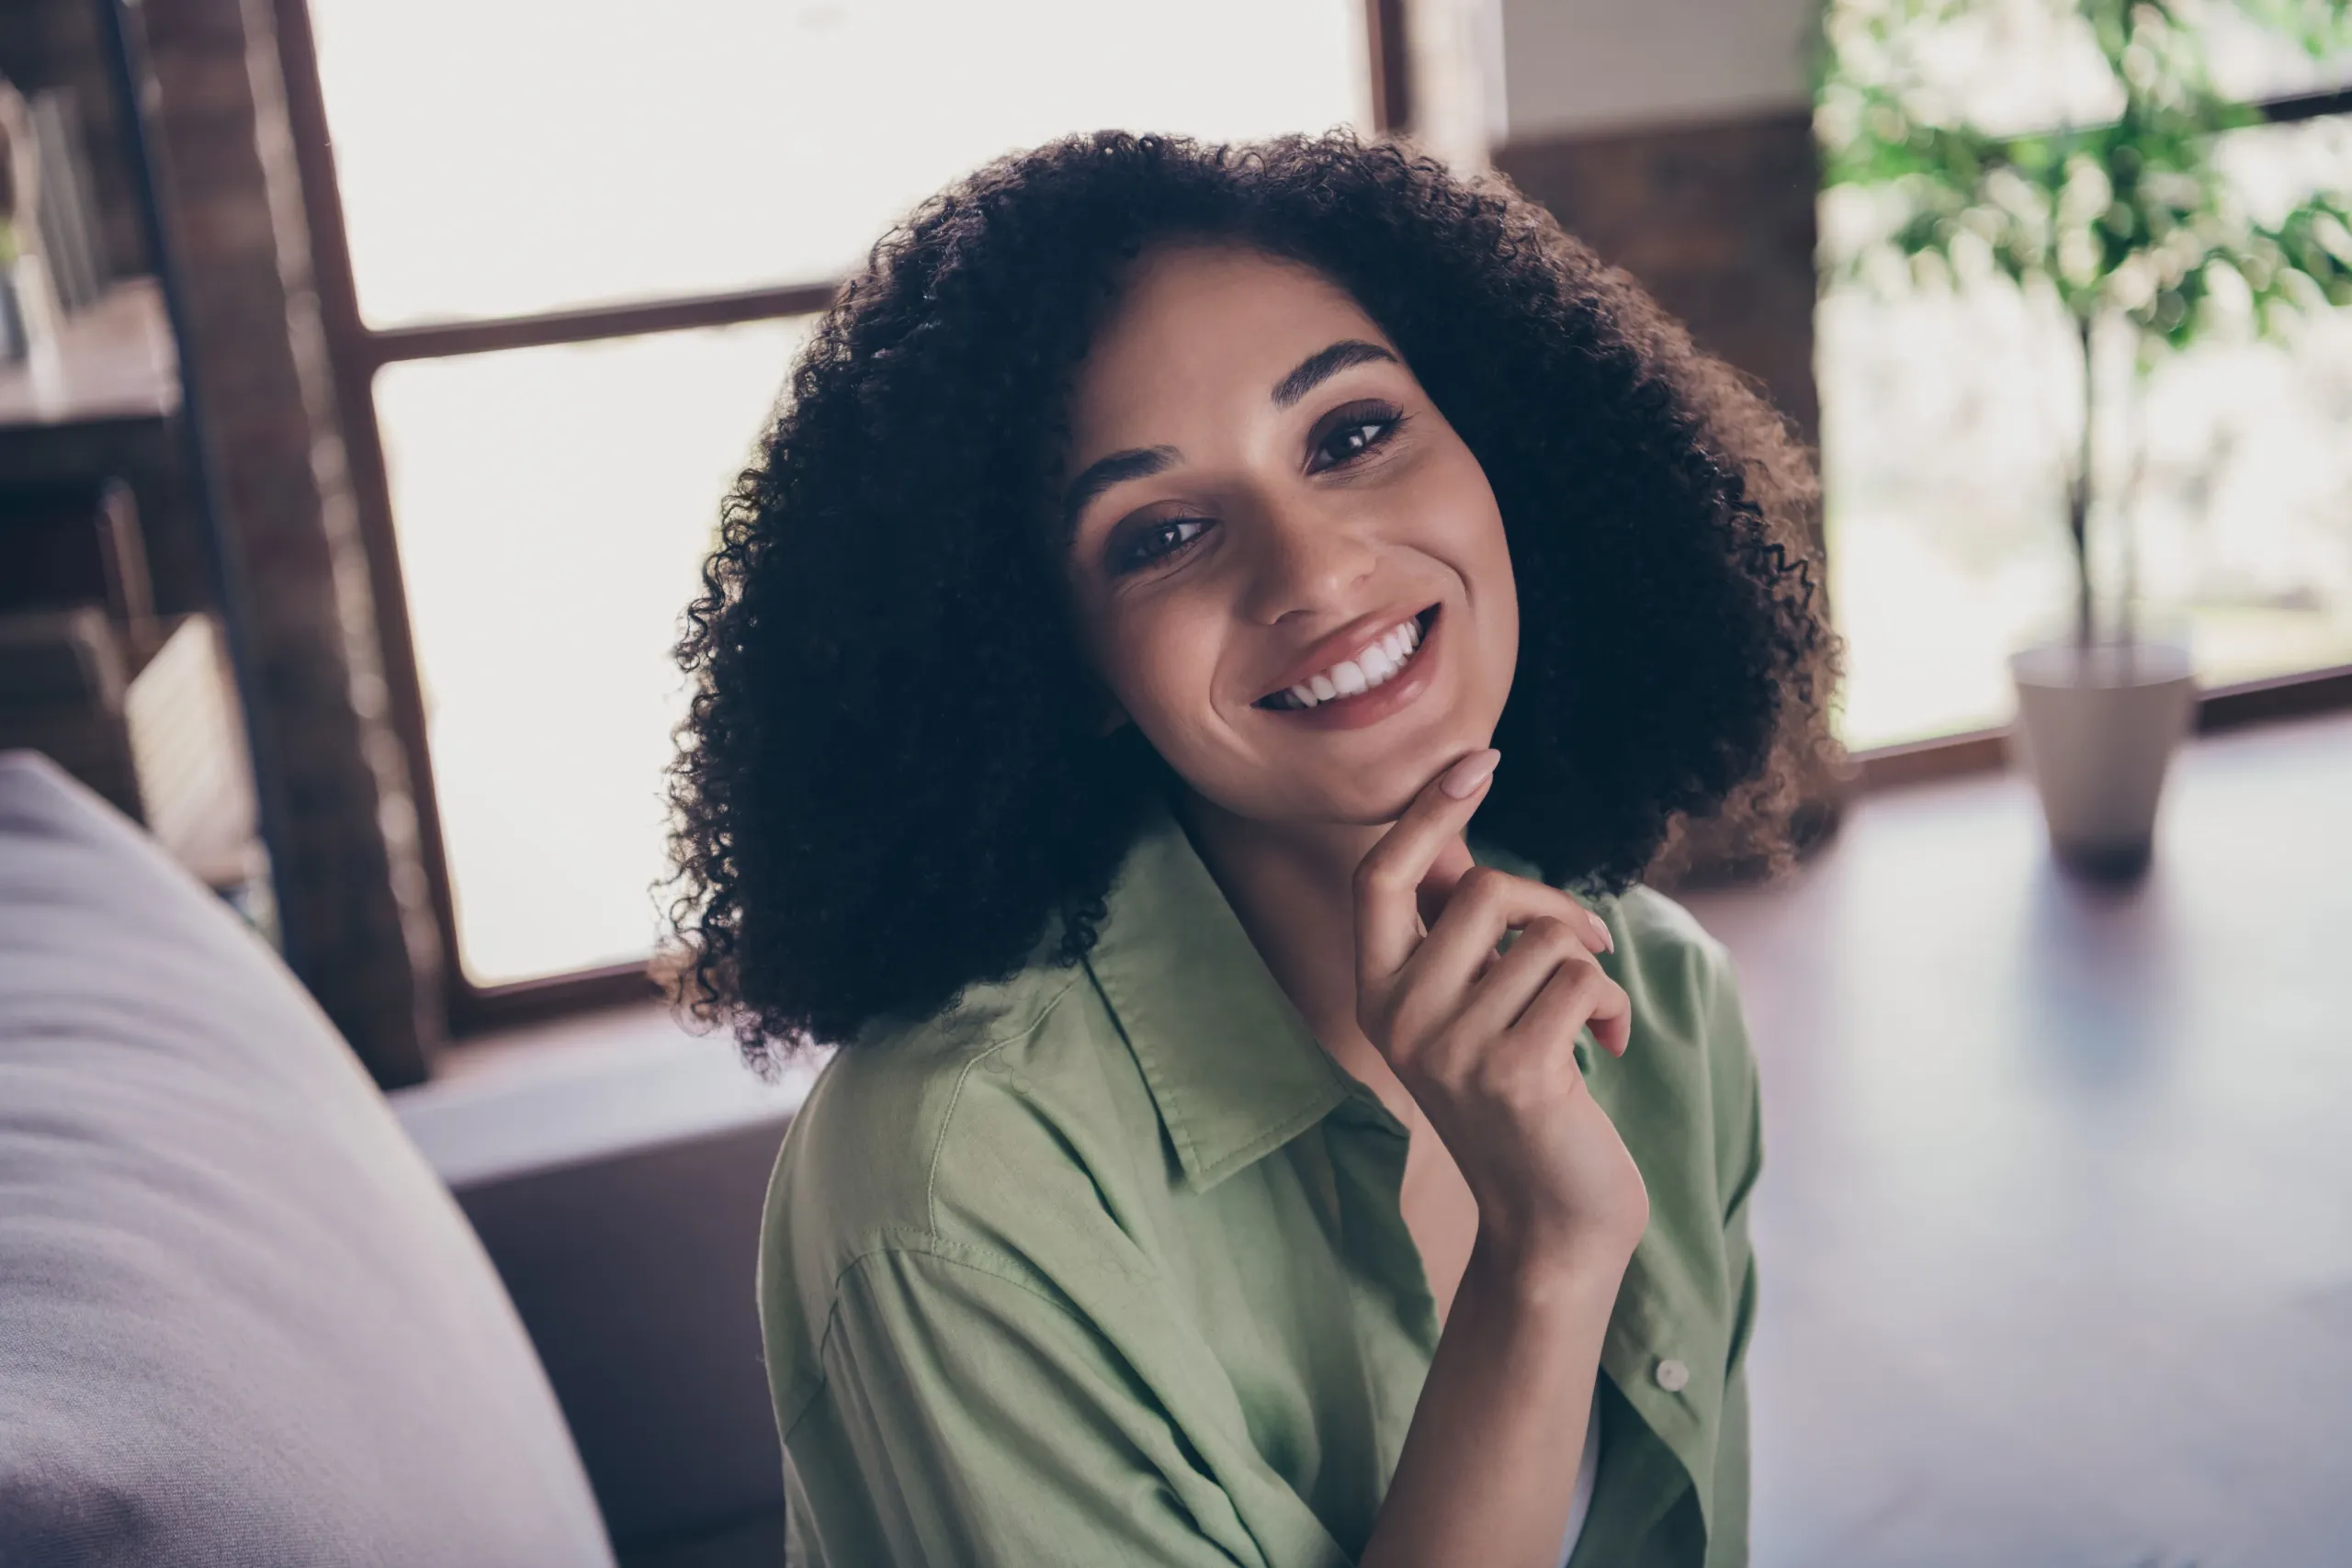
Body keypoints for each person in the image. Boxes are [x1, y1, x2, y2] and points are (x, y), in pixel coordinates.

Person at [663, 128, 1843, 1567]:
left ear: (1498, 450)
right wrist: (1541, 1261)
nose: (1315, 570)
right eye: (1160, 533)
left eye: (1351, 434)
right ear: (1066, 663)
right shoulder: (950, 1184)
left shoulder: (1654, 998)